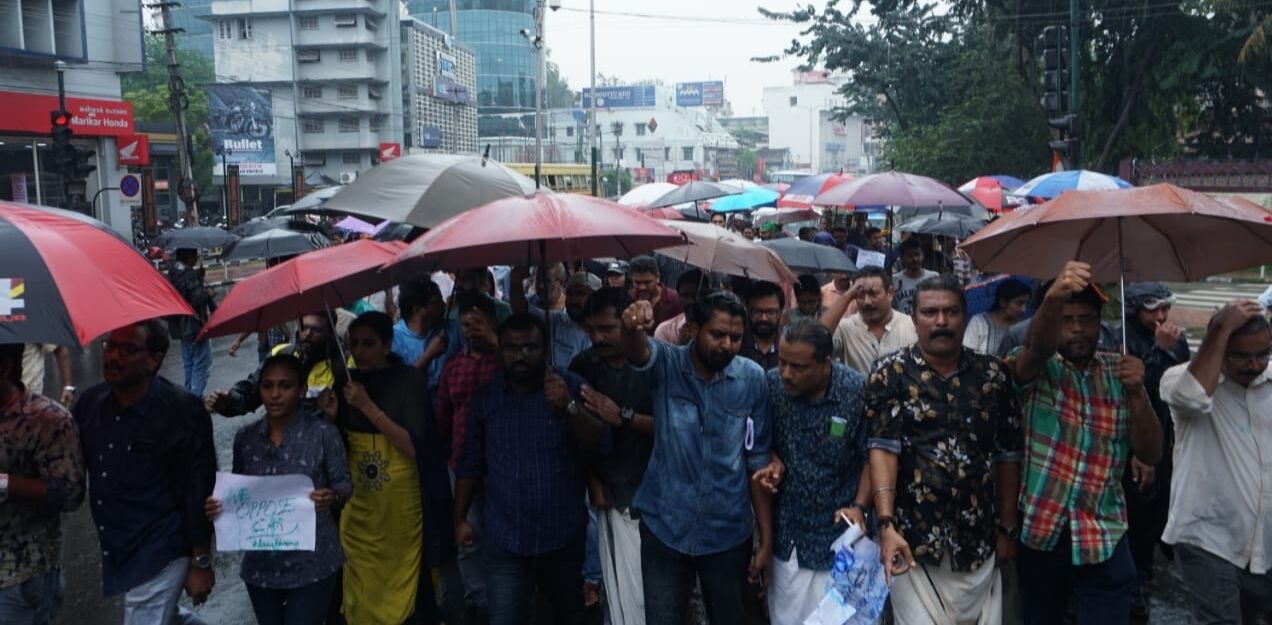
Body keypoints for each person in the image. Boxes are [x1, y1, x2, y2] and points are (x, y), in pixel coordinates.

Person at [1007, 261, 1163, 625]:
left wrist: (1138, 393)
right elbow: (1036, 349)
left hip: (1104, 534)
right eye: (1066, 319)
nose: (1077, 329)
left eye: (1086, 319)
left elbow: (1151, 451)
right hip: (1042, 533)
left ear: (1101, 321)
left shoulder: (1120, 371)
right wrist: (1053, 298)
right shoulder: (1034, 368)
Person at [866, 276, 1023, 624]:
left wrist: (1008, 528)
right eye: (930, 312)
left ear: (965, 316)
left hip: (978, 541)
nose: (940, 321)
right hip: (912, 542)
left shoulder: (993, 375)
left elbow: (1007, 454)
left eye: (951, 312)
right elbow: (882, 449)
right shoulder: (889, 373)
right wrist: (886, 524)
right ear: (914, 317)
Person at [621, 291, 774, 625]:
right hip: (665, 527)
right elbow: (637, 353)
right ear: (693, 329)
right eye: (717, 335)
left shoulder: (752, 379)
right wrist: (633, 326)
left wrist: (765, 538)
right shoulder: (667, 363)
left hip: (728, 534)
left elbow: (757, 461)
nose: (727, 345)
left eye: (735, 337)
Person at [454, 313, 608, 625]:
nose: (521, 356)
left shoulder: (571, 386)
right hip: (506, 537)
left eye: (530, 347)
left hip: (562, 536)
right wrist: (458, 519)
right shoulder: (486, 398)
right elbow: (470, 462)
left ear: (545, 349)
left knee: (568, 616)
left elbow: (599, 444)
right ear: (500, 350)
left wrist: (569, 407)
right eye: (512, 348)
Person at [73, 319, 217, 624]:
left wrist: (200, 561)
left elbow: (198, 489)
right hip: (118, 545)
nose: (112, 357)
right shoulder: (89, 404)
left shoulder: (183, 410)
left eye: (127, 350)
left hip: (161, 546)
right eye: (109, 346)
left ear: (155, 359)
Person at [205, 356, 351, 625]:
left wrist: (331, 496)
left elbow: (343, 485)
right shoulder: (246, 439)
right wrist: (219, 506)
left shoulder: (322, 434)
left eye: (285, 386)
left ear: (302, 389)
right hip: (261, 568)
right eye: (267, 386)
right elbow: (241, 493)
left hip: (313, 563)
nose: (275, 394)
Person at [1160, 301, 1271, 625]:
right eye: (1241, 356)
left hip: (1263, 542)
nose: (1254, 365)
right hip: (1207, 538)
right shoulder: (1179, 378)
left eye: (1263, 354)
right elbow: (1192, 399)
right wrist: (1221, 326)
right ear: (1219, 347)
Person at [759, 320, 872, 625]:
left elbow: (870, 457)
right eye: (782, 362)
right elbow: (759, 442)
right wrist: (772, 459)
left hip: (841, 535)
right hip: (791, 535)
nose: (786, 374)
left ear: (825, 363)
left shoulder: (856, 390)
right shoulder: (770, 386)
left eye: (798, 367)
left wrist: (860, 506)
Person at [569, 287, 655, 625]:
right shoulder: (584, 365)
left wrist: (624, 417)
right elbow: (575, 437)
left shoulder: (655, 362)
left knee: (650, 593)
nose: (597, 337)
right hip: (608, 492)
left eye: (607, 328)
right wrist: (592, 480)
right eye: (591, 329)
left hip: (654, 492)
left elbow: (671, 424)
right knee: (619, 593)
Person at [1120, 282, 1190, 621]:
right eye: (1152, 309)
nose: (1160, 317)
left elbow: (1182, 387)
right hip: (1133, 447)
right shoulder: (1122, 338)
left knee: (1158, 514)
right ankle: (1134, 589)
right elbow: (1133, 392)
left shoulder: (1177, 341)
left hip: (1168, 439)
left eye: (1165, 308)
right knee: (1136, 521)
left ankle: (1146, 576)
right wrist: (1158, 352)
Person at [0, 343, 85, 625]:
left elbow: (70, 493)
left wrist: (5, 483)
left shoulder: (48, 419)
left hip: (21, 574)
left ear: (5, 367)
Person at [206, 313, 342, 417]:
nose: (307, 334)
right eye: (304, 327)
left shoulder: (343, 363)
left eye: (316, 330)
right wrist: (229, 401)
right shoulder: (280, 353)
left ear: (330, 333)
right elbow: (252, 390)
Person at [820, 266, 918, 375]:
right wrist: (848, 295)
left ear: (889, 293)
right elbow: (815, 340)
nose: (867, 302)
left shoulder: (912, 326)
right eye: (860, 295)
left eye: (873, 294)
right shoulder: (846, 328)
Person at [511, 267, 598, 367]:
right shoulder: (556, 321)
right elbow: (521, 310)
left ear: (595, 297)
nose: (574, 300)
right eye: (570, 294)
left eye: (581, 293)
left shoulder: (607, 330)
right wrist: (516, 281)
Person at [393, 277, 462, 395]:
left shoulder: (453, 328)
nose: (444, 305)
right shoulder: (395, 338)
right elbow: (400, 386)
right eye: (437, 301)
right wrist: (428, 355)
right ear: (418, 309)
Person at [164, 248, 218, 397]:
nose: (196, 258)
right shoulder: (188, 274)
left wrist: (198, 277)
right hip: (194, 326)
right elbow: (195, 298)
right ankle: (194, 399)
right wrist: (208, 293)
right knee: (201, 364)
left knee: (189, 364)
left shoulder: (173, 271)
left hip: (180, 328)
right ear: (188, 257)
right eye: (195, 255)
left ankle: (188, 397)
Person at [963, 279, 1032, 355]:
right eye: (1019, 303)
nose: (1024, 309)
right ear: (1003, 302)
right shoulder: (978, 323)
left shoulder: (1022, 329)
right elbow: (967, 353)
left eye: (1026, 304)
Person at [630, 256, 683, 334]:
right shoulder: (628, 298)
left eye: (647, 282)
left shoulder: (675, 299)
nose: (642, 287)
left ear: (658, 277)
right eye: (637, 282)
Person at [653, 269, 705, 346]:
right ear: (678, 297)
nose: (691, 301)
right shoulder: (665, 330)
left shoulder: (719, 331)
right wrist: (681, 347)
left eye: (696, 295)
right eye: (685, 295)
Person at [741, 281, 785, 370]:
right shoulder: (736, 344)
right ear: (748, 310)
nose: (764, 318)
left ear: (780, 312)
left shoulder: (790, 345)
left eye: (771, 312)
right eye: (757, 312)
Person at [891, 238, 939, 315]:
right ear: (902, 258)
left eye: (917, 254)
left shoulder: (934, 278)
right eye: (910, 256)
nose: (914, 259)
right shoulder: (894, 280)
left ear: (923, 255)